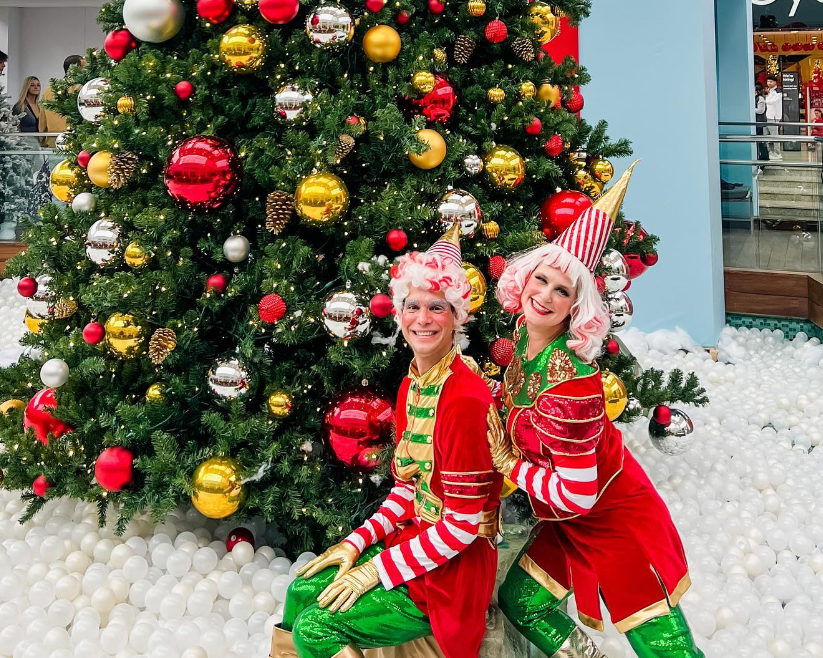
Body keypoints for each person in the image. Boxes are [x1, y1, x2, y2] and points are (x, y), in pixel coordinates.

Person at [489, 164, 703, 658]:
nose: (544, 295)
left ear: (576, 307)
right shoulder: (524, 339)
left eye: (562, 290)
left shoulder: (573, 390)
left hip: (614, 522)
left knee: (663, 645)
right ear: (525, 277)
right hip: (568, 524)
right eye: (541, 279)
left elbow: (579, 494)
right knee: (522, 601)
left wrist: (510, 467)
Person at [273, 224, 503, 658]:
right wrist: (355, 543)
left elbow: (461, 526)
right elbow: (406, 489)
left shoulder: (465, 398)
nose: (423, 318)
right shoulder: (410, 385)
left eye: (438, 307)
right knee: (303, 590)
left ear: (458, 317)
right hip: (413, 539)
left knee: (317, 630)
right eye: (413, 305)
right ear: (399, 313)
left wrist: (372, 572)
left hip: (451, 570)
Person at [39, 54, 84, 148]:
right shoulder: (81, 89)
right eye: (84, 67)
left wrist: (42, 140)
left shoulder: (49, 90)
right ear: (76, 69)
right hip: (77, 142)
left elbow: (42, 119)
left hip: (53, 141)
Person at [14, 77, 42, 143]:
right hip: (26, 144)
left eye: (38, 85)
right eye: (32, 85)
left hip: (40, 144)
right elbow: (14, 128)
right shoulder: (20, 107)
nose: (36, 87)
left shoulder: (41, 106)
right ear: (27, 87)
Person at [763, 74, 782, 160]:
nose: (769, 83)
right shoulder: (769, 91)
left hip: (773, 116)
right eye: (768, 81)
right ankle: (767, 151)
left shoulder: (778, 92)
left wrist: (765, 99)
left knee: (774, 135)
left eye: (771, 81)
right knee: (765, 135)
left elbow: (772, 102)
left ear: (775, 82)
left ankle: (777, 153)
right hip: (767, 115)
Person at [754, 81, 768, 165]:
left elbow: (760, 110)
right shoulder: (754, 98)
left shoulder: (760, 99)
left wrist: (751, 109)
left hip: (760, 122)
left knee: (761, 141)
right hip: (756, 122)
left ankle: (764, 157)